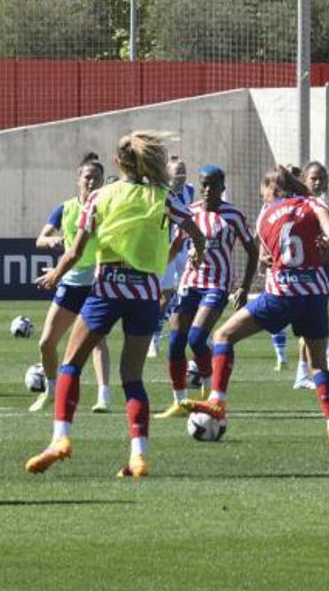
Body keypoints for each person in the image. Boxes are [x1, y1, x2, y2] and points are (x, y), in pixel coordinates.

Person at [28, 131, 205, 478]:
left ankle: (60, 439)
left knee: (70, 364)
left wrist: (55, 275)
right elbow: (194, 230)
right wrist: (198, 248)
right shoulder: (162, 196)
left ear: (116, 163)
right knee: (132, 378)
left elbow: (77, 250)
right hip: (145, 295)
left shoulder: (100, 196)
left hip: (108, 288)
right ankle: (138, 456)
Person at [183, 166, 329, 443]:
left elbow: (267, 258)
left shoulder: (266, 216)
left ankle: (217, 401)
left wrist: (267, 261)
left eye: (264, 194)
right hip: (316, 295)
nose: (264, 200)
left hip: (282, 294)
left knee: (223, 335)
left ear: (273, 190)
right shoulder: (314, 203)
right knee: (318, 363)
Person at [155, 164, 258, 418]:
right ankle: (179, 402)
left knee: (197, 338)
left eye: (212, 184)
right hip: (190, 283)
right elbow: (176, 246)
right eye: (203, 184)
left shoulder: (233, 215)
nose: (207, 189)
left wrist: (244, 286)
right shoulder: (189, 213)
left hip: (217, 284)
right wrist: (156, 272)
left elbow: (252, 251)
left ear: (222, 187)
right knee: (176, 341)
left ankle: (212, 390)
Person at [33, 153, 114, 414]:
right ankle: (51, 390)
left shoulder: (107, 208)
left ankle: (103, 397)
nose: (92, 182)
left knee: (96, 342)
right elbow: (41, 239)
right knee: (46, 343)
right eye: (88, 177)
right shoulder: (65, 208)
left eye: (97, 179)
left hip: (97, 282)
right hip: (69, 282)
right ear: (78, 179)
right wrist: (52, 241)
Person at [293, 161, 329, 391]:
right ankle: (325, 353)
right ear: (303, 181)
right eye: (312, 178)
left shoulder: (324, 207)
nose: (317, 182)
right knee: (308, 323)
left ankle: (303, 374)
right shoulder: (296, 205)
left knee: (309, 322)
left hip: (319, 273)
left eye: (321, 178)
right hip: (299, 274)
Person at [148, 156, 195, 358]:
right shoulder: (160, 192)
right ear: (168, 173)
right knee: (165, 296)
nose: (181, 175)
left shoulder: (191, 190)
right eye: (178, 171)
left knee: (193, 290)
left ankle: (197, 333)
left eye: (183, 170)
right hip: (166, 249)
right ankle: (154, 339)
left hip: (184, 248)